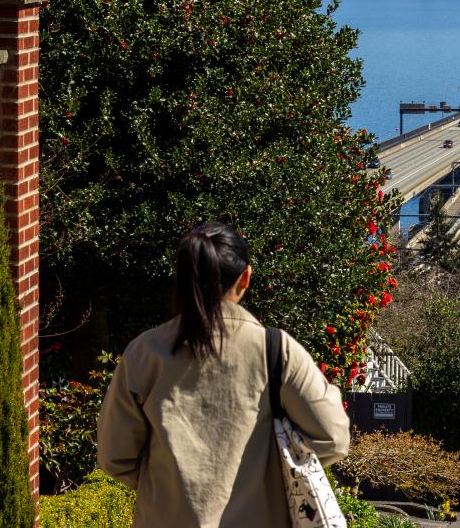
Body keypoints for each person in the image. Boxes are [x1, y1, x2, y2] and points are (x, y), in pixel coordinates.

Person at [98, 223, 350, 527]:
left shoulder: (144, 353)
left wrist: (170, 489)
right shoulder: (274, 350)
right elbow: (333, 438)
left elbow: (115, 457)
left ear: (182, 280)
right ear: (245, 278)